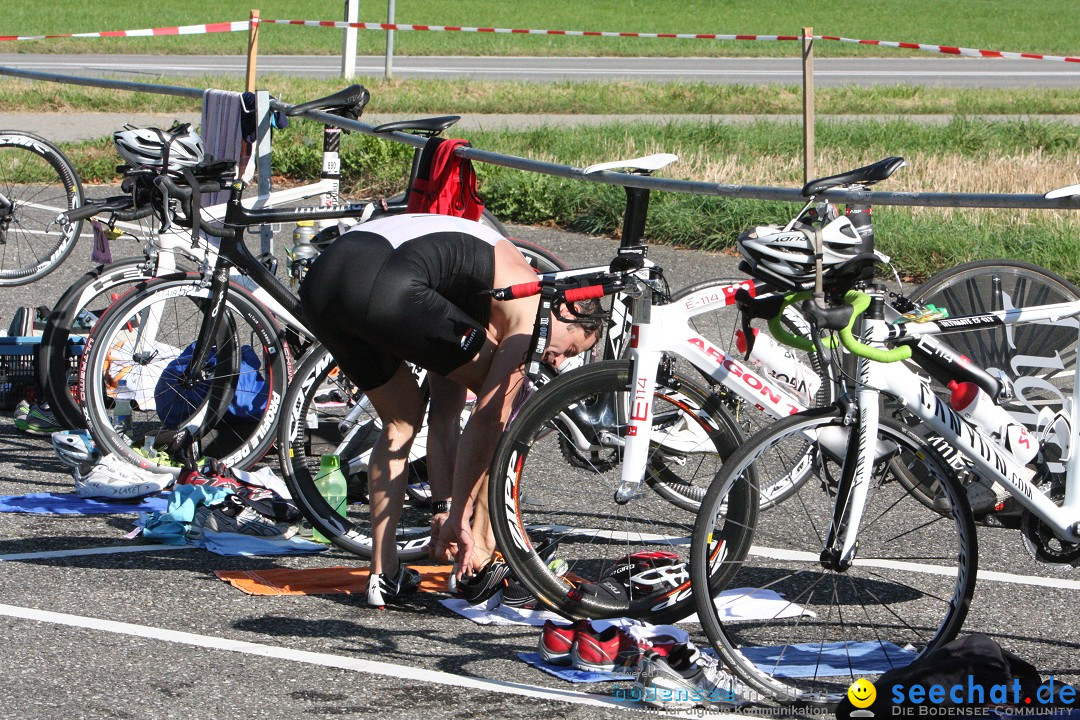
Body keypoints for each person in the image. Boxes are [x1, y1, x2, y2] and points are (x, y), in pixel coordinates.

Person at [300, 213, 602, 608]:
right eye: (572, 348)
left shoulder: (473, 294)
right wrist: (461, 514)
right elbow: (490, 420)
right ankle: (481, 548)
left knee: (402, 418)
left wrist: (444, 509)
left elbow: (445, 415)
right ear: (570, 311)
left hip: (326, 281)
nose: (558, 361)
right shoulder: (530, 310)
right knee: (511, 413)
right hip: (387, 276)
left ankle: (384, 574)